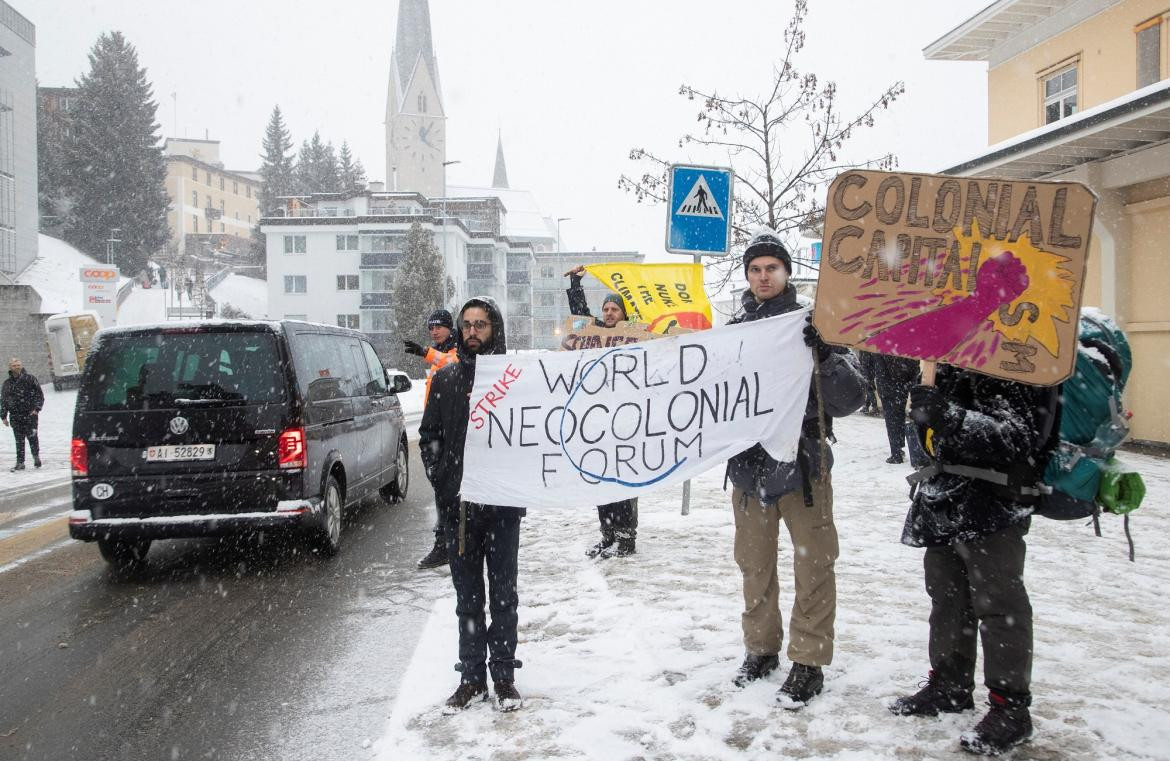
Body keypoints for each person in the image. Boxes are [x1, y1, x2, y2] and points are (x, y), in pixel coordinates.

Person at [724, 231, 864, 709]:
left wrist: (823, 355)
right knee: (754, 565)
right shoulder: (734, 329)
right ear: (747, 276)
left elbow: (851, 398)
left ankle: (808, 659)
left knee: (814, 563)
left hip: (804, 468)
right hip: (748, 470)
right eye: (755, 270)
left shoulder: (816, 324)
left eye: (772, 269)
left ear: (786, 273)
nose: (764, 277)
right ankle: (761, 649)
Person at [889, 369, 1052, 756]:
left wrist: (949, 416)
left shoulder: (1007, 361)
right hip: (946, 498)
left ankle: (1010, 708)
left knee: (999, 607)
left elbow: (1014, 437)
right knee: (947, 599)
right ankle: (950, 686)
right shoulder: (945, 360)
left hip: (993, 502)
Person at [419, 297, 525, 713]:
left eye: (481, 324)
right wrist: (443, 479)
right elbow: (430, 436)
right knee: (467, 597)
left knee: (502, 595)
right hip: (459, 511)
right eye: (467, 324)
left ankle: (503, 677)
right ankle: (470, 678)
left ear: (495, 329)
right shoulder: (446, 380)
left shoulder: (515, 381)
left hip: (502, 507)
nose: (473, 331)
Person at [564, 264, 639, 559]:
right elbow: (580, 315)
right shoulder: (592, 333)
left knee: (622, 482)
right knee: (601, 481)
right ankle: (607, 536)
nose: (609, 314)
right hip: (598, 421)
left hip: (625, 421)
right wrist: (575, 284)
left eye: (614, 310)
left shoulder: (634, 336)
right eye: (606, 309)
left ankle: (626, 538)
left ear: (623, 314)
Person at [405, 308, 459, 570]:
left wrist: (424, 352)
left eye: (439, 326)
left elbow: (452, 364)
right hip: (436, 427)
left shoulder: (457, 350)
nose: (434, 331)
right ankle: (448, 544)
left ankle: (445, 546)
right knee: (443, 491)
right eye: (431, 327)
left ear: (450, 328)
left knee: (446, 493)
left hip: (449, 430)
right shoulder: (443, 352)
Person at [874, 353, 919, 464]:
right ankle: (899, 448)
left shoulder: (883, 349)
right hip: (901, 391)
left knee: (891, 422)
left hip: (888, 392)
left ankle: (896, 454)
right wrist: (906, 386)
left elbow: (881, 372)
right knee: (899, 419)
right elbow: (915, 371)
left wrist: (884, 389)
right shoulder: (908, 350)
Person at [2, 357, 44, 472]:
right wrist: (3, 416)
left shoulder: (30, 379)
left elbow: (39, 395)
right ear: (10, 367)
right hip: (15, 416)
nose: (17, 367)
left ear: (21, 365)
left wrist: (37, 409)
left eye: (18, 365)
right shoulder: (7, 383)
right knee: (19, 440)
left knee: (33, 437)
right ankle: (20, 462)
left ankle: (36, 457)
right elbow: (4, 400)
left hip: (30, 414)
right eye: (14, 365)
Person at [856, 350, 881, 416]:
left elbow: (865, 362)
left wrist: (864, 370)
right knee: (868, 388)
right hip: (869, 370)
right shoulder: (865, 349)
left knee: (869, 389)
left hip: (867, 370)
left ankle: (874, 407)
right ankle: (866, 406)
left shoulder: (865, 349)